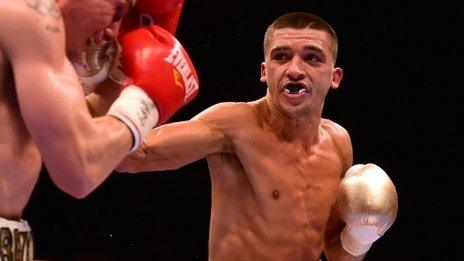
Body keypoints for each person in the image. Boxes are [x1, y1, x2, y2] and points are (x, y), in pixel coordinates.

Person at [117, 12, 398, 260]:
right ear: (265, 71)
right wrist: (109, 90)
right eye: (281, 56)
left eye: (312, 58)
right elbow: (135, 155)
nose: (295, 69)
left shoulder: (339, 142)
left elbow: (336, 252)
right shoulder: (234, 124)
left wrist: (361, 236)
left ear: (334, 77)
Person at [0, 0, 197, 259]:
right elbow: (80, 169)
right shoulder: (30, 15)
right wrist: (145, 102)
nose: (113, 33)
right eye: (117, 11)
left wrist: (121, 80)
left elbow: (74, 137)